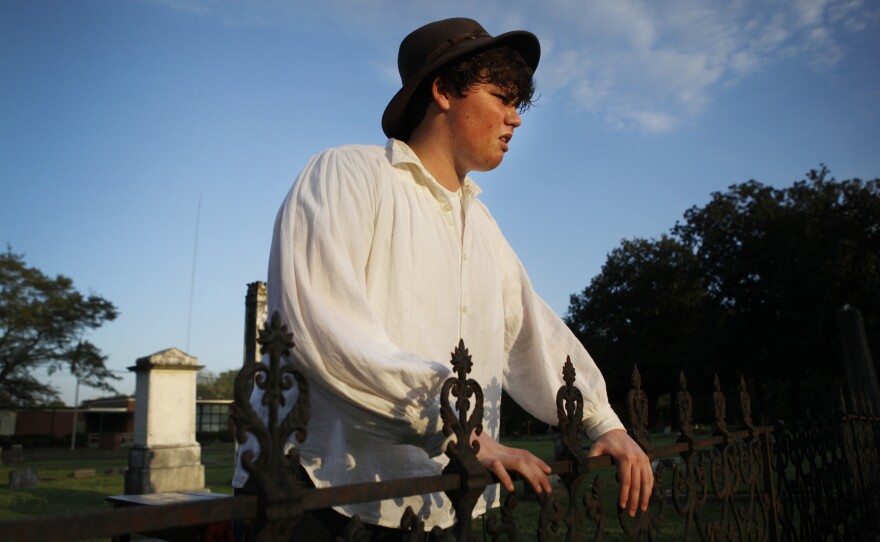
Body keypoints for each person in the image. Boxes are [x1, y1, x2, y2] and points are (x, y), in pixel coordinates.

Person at [233, 16, 653, 539]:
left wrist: (603, 421)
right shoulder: (345, 175)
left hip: (441, 502)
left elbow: (531, 332)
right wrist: (461, 432)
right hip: (323, 496)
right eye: (503, 97)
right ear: (442, 91)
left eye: (519, 103)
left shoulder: (481, 225)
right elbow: (324, 331)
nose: (515, 119)